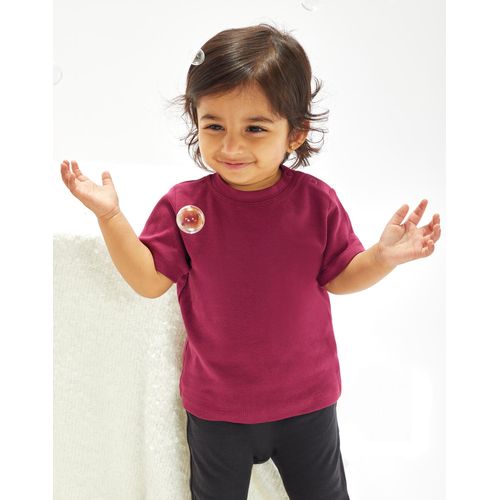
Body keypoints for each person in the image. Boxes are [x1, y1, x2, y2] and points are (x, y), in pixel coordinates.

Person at [60, 23, 441, 500]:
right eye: (213, 126)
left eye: (255, 128)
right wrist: (110, 216)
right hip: (217, 410)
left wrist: (382, 257)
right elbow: (149, 281)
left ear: (295, 133)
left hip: (308, 404)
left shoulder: (317, 203)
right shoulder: (184, 206)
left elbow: (340, 277)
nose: (230, 147)